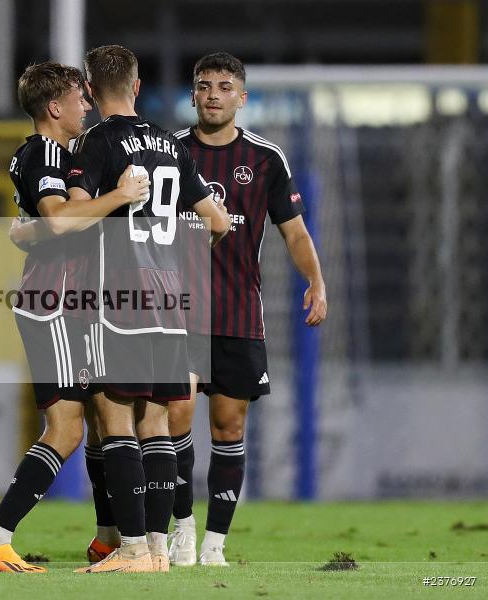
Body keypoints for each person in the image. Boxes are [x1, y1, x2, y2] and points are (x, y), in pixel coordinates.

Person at [0, 62, 150, 573]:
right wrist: (121, 195)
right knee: (67, 428)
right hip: (57, 301)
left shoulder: (54, 154)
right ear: (54, 107)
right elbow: (58, 218)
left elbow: (34, 225)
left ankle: (106, 538)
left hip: (68, 298)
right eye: (78, 98)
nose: (86, 105)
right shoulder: (47, 151)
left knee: (96, 422)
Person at [68, 45, 229, 574]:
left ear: (90, 91)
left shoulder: (94, 142)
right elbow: (218, 223)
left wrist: (113, 200)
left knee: (115, 419)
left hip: (120, 295)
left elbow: (73, 217)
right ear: (136, 87)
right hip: (169, 295)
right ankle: (159, 548)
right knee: (155, 423)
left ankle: (132, 549)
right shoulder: (169, 141)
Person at [168, 52, 328, 566]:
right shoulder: (167, 153)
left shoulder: (266, 159)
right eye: (203, 85)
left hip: (237, 312)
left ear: (242, 96)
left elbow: (295, 231)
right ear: (192, 95)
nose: (213, 94)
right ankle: (183, 529)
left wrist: (316, 282)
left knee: (228, 428)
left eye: (224, 85)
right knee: (173, 418)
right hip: (174, 311)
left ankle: (215, 543)